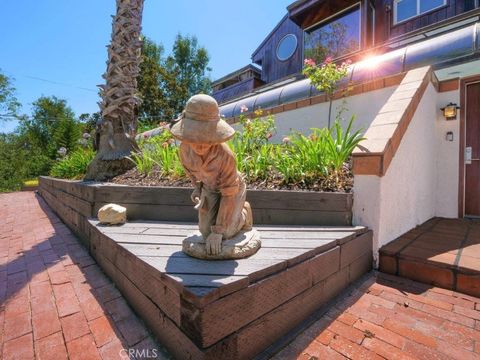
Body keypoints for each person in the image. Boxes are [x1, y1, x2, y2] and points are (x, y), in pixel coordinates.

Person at [170, 94, 252, 255]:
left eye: (206, 140)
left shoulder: (225, 156)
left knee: (225, 233)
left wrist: (219, 231)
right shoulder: (184, 151)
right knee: (205, 231)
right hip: (209, 187)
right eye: (195, 139)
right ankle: (226, 222)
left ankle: (244, 213)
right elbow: (194, 175)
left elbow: (228, 194)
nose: (200, 146)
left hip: (231, 189)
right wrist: (198, 189)